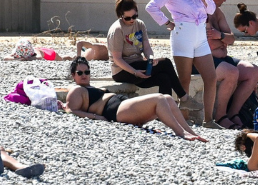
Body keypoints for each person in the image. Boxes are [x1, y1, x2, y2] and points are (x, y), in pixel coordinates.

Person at [146, 0, 220, 127]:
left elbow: (211, 10)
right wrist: (166, 23)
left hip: (200, 36)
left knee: (211, 77)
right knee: (184, 80)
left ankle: (208, 120)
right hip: (182, 35)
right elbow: (151, 6)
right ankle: (183, 120)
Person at [64, 57, 207, 142]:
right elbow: (72, 110)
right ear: (73, 75)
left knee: (168, 98)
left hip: (120, 105)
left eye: (87, 72)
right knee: (159, 99)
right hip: (114, 110)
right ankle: (180, 132)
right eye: (80, 73)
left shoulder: (89, 87)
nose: (84, 75)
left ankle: (190, 132)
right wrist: (96, 117)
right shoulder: (77, 89)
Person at [205, 0, 258, 128]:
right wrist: (222, 40)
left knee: (254, 72)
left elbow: (231, 38)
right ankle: (220, 116)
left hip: (223, 58)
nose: (225, 0)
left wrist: (221, 37)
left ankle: (233, 113)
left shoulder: (217, 13)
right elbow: (209, 44)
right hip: (204, 60)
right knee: (231, 72)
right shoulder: (202, 11)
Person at [107, 0, 184, 99]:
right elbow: (117, 59)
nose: (132, 20)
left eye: (134, 16)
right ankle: (184, 97)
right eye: (127, 18)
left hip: (138, 66)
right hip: (122, 71)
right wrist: (135, 72)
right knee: (166, 63)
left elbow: (146, 47)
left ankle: (166, 111)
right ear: (121, 16)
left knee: (164, 78)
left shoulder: (140, 24)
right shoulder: (117, 30)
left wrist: (150, 59)